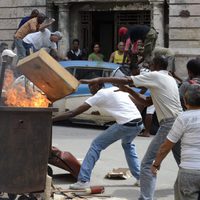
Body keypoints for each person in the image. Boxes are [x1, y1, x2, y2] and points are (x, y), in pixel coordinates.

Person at [80, 56, 182, 200]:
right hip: (179, 122)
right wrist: (128, 91)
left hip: (169, 124)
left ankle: (145, 198)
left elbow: (127, 79)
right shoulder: (169, 79)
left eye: (151, 64)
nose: (149, 66)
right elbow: (146, 102)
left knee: (147, 164)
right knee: (183, 163)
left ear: (157, 64)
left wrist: (100, 80)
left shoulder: (155, 75)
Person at [53, 83, 144, 189]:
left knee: (96, 145)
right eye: (89, 86)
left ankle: (83, 180)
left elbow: (72, 113)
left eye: (91, 86)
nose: (90, 88)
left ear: (97, 86)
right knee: (127, 145)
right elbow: (135, 103)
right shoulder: (114, 89)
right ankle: (141, 178)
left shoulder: (100, 94)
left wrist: (51, 120)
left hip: (126, 124)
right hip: (138, 123)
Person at [151, 84, 200, 200]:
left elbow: (166, 146)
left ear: (185, 102)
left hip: (189, 172)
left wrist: (156, 164)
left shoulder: (183, 118)